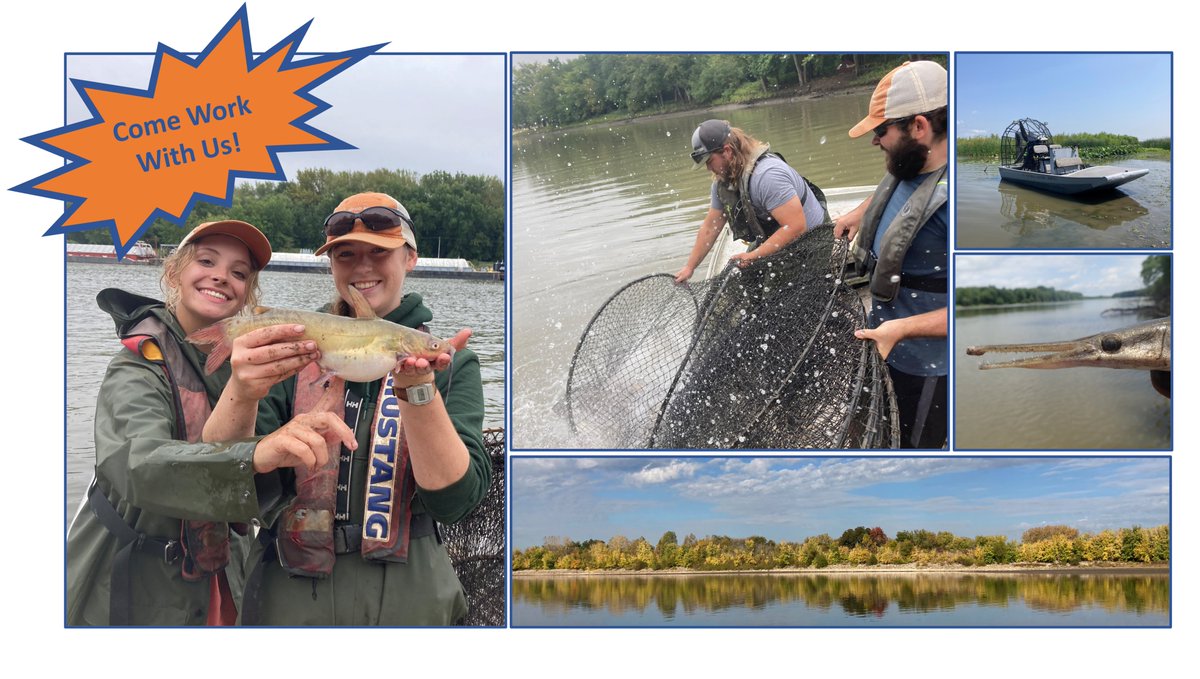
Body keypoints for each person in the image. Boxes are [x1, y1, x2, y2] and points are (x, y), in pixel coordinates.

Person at [207, 192, 489, 625]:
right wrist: (243, 393)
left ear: (410, 258)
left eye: (379, 252)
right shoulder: (287, 348)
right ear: (331, 264)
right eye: (345, 254)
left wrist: (419, 392)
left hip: (410, 597)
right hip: (291, 592)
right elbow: (221, 486)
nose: (362, 267)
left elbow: (456, 504)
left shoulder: (454, 364)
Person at [66, 220, 347, 626]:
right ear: (175, 271)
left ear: (248, 293)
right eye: (206, 260)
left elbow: (244, 483)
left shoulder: (250, 365)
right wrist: (257, 454)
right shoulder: (134, 366)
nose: (221, 276)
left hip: (216, 573)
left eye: (239, 273)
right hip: (133, 579)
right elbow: (135, 466)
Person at [834, 60, 949, 449]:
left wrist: (901, 329)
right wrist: (859, 213)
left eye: (882, 131)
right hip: (887, 336)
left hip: (929, 366)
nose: (875, 140)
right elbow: (897, 193)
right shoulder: (912, 160)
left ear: (919, 126)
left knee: (915, 447)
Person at [674, 119, 829, 283]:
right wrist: (689, 268)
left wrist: (753, 256)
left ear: (727, 151)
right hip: (775, 236)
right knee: (740, 282)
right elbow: (709, 228)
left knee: (775, 298)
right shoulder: (723, 181)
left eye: (709, 161)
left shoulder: (767, 176)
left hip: (812, 241)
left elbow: (796, 227)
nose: (708, 168)